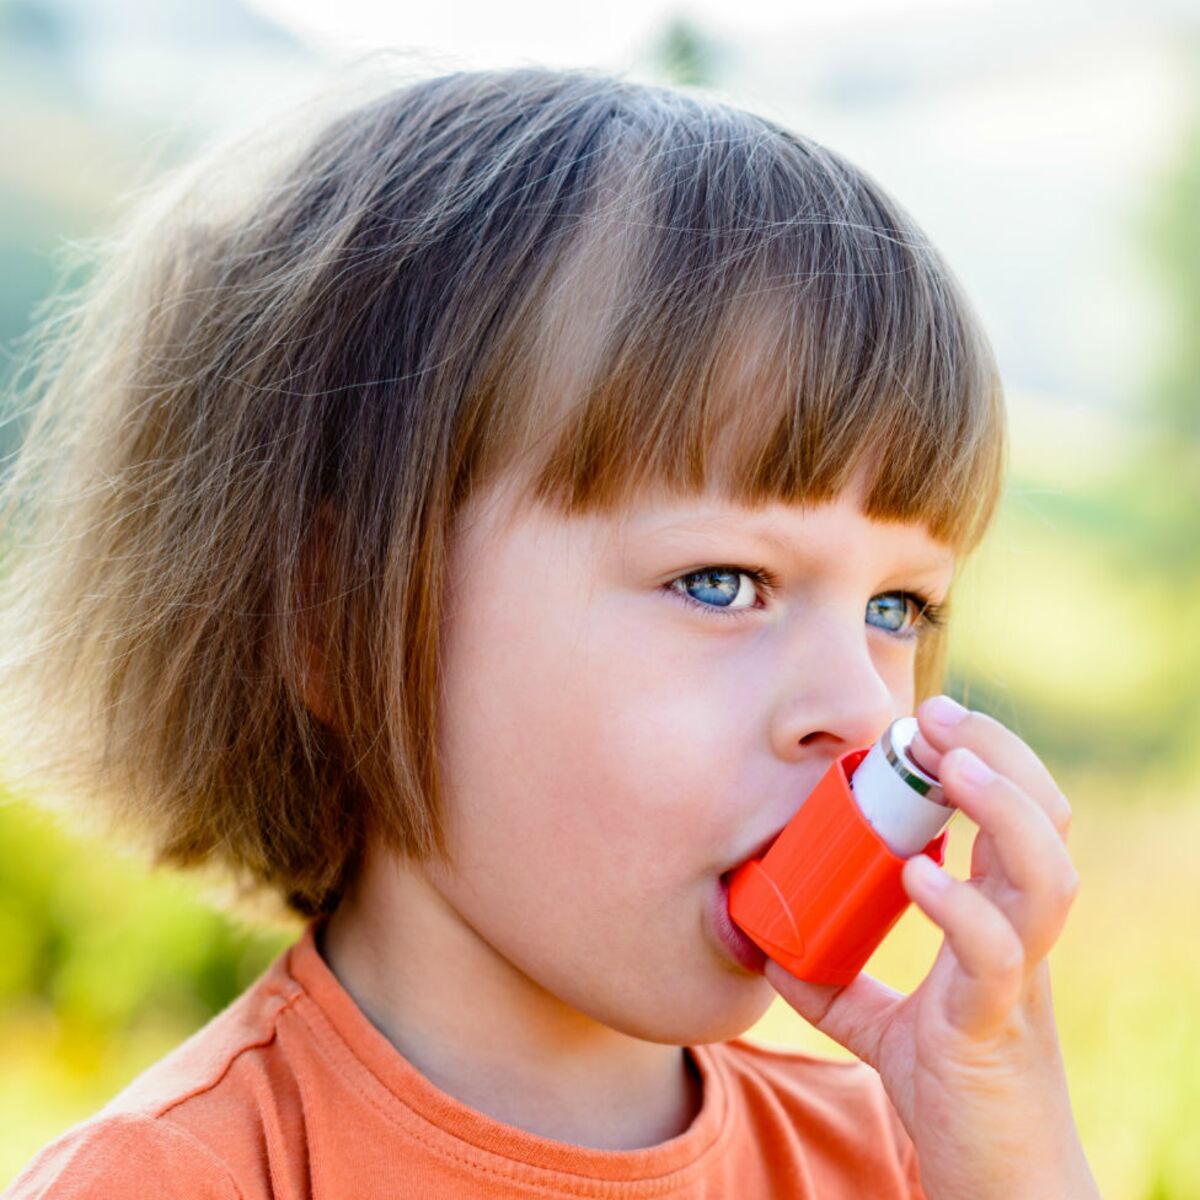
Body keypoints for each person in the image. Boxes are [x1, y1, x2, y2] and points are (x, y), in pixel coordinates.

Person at [0, 65, 1099, 1198]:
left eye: (896, 608)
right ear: (332, 615)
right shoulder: (183, 1180)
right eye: (723, 581)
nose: (867, 711)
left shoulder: (906, 1162)